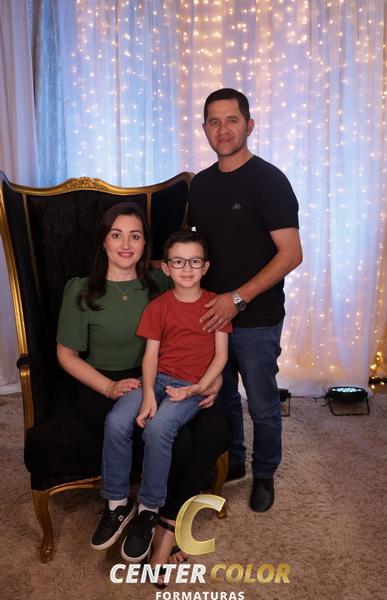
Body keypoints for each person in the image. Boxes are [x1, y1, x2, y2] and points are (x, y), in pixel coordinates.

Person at [56, 202, 228, 566]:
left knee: (208, 430)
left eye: (135, 236)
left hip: (166, 377)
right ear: (103, 241)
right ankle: (119, 507)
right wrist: (109, 387)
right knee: (143, 428)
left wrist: (213, 380)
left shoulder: (161, 281)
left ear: (145, 245)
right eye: (116, 235)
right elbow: (66, 356)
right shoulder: (81, 289)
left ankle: (162, 521)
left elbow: (195, 306)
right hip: (103, 383)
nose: (125, 244)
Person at [188, 88, 303, 513]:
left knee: (262, 402)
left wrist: (237, 299)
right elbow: (198, 248)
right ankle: (233, 460)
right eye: (214, 122)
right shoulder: (200, 185)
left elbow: (291, 254)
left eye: (232, 120)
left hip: (256, 317)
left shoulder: (269, 181)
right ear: (204, 129)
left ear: (249, 125)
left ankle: (265, 472)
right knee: (221, 398)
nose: (223, 130)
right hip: (212, 316)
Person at [103, 229, 231, 564]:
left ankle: (149, 509)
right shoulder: (158, 306)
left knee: (159, 428)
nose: (187, 268)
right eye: (178, 261)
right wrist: (148, 394)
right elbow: (150, 355)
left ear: (205, 267)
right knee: (117, 419)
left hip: (190, 385)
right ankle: (117, 504)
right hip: (158, 378)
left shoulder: (216, 305)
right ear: (166, 267)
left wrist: (199, 388)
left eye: (195, 261)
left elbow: (221, 356)